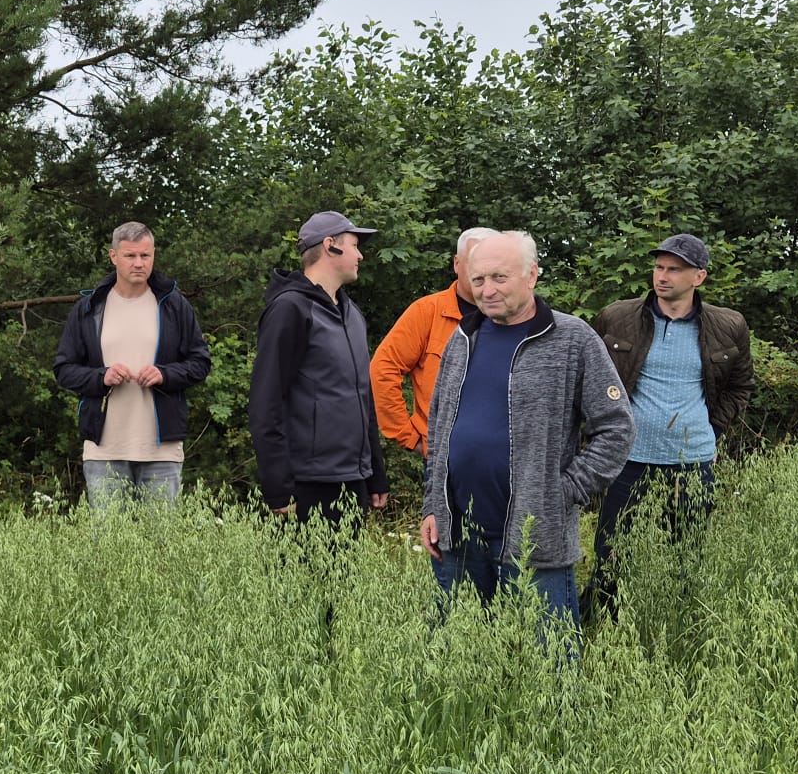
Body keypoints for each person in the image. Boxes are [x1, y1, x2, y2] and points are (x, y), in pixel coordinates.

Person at [419, 231, 634, 632]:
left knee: (549, 658)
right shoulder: (461, 339)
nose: (487, 290)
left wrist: (564, 491)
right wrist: (432, 505)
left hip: (535, 536)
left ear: (532, 275)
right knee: (459, 654)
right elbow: (439, 432)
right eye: (479, 279)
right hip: (460, 535)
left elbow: (616, 427)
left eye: (499, 277)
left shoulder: (572, 339)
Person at [587, 233, 755, 612]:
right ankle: (602, 620)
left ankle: (675, 623)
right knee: (612, 552)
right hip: (628, 458)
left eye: (675, 270)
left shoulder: (728, 326)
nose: (662, 276)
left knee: (685, 555)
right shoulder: (617, 318)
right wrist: (600, 435)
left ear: (699, 277)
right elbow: (590, 380)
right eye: (659, 267)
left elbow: (740, 386)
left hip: (691, 462)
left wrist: (712, 432)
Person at [53, 221, 213, 507]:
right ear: (113, 256)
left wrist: (165, 375)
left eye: (145, 255)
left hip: (162, 452)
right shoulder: (89, 308)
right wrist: (101, 377)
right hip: (104, 451)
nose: (139, 263)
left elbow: (200, 362)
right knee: (108, 537)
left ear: (153, 255)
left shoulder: (174, 305)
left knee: (161, 536)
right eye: (130, 256)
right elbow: (64, 370)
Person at [248, 211, 390, 529]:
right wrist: (278, 487)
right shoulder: (290, 309)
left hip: (352, 479)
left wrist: (375, 473)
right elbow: (265, 404)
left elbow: (362, 397)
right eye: (354, 245)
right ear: (330, 245)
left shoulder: (352, 314)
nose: (360, 255)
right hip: (307, 484)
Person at [370, 226, 498, 455]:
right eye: (474, 262)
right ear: (457, 263)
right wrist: (409, 437)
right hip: (444, 458)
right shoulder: (427, 312)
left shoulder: (512, 316)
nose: (482, 271)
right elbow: (383, 369)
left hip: (505, 457)